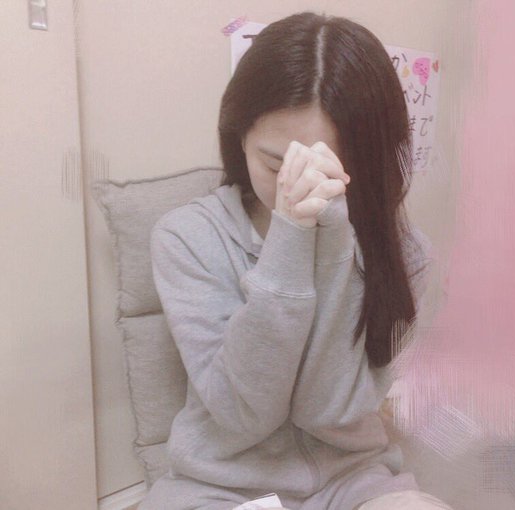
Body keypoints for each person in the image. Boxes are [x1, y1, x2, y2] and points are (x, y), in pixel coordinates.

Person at [139, 11, 452, 510]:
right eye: (277, 164)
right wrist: (290, 237)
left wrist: (333, 241)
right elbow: (243, 415)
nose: (302, 184)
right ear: (238, 138)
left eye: (333, 171)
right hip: (223, 483)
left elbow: (326, 411)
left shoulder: (405, 252)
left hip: (352, 477)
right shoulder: (188, 236)